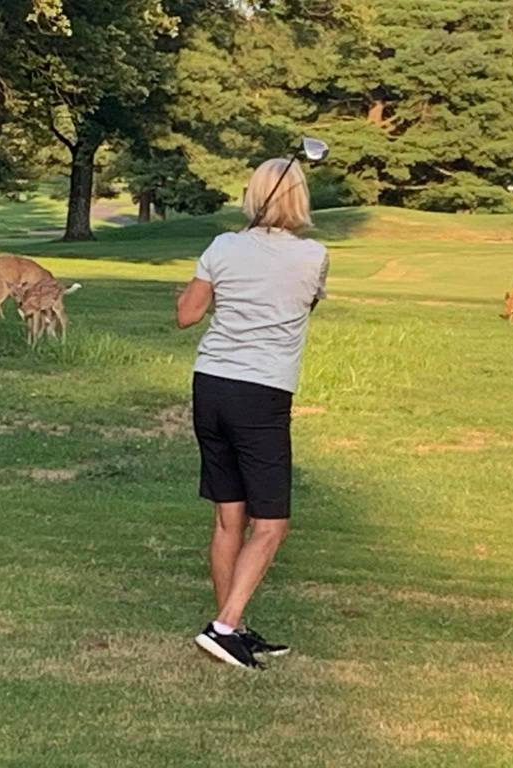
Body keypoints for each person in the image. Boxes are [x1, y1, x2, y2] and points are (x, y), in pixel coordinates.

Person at [176, 157, 329, 669]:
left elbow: (187, 314)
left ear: (253, 196)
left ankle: (233, 627)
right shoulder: (314, 256)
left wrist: (220, 282)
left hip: (211, 386)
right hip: (261, 394)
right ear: (299, 198)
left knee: (229, 518)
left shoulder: (222, 246)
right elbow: (300, 307)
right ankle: (223, 628)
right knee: (272, 524)